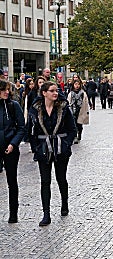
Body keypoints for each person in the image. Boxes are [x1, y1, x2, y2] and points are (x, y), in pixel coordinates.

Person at [28, 82, 77, 226]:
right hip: (43, 148)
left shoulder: (63, 108)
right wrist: (36, 148)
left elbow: (72, 130)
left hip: (61, 148)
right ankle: (46, 214)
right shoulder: (35, 109)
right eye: (52, 91)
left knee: (61, 178)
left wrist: (66, 144)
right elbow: (31, 131)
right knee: (45, 181)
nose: (55, 93)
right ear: (44, 93)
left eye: (57, 91)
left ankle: (64, 204)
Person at [0, 80, 26, 223]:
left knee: (12, 181)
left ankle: (13, 213)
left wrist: (13, 144)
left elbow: (22, 127)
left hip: (10, 148)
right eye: (4, 89)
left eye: (8, 89)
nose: (7, 92)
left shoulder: (13, 106)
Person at [67, 77, 89, 144]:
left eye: (78, 84)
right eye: (75, 84)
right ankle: (75, 136)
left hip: (81, 110)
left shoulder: (83, 93)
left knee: (79, 125)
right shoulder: (71, 93)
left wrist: (86, 111)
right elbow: (68, 101)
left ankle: (79, 133)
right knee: (74, 124)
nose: (77, 86)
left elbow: (86, 102)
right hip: (73, 110)